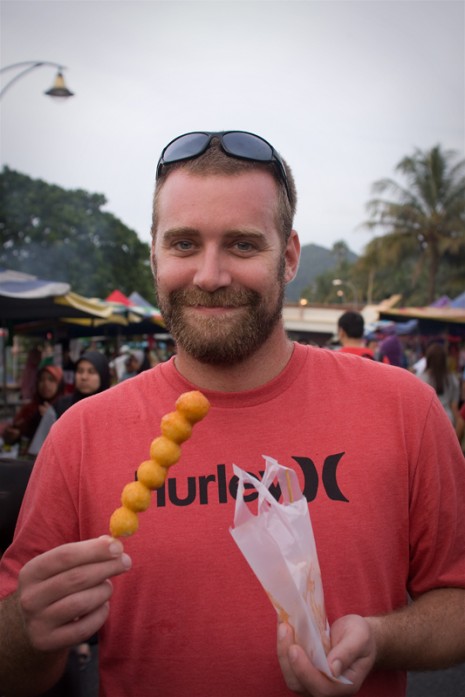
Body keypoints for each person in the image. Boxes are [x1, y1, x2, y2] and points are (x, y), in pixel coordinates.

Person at [0, 131, 464, 697]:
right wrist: (28, 626)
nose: (210, 275)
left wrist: (379, 637)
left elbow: (457, 603)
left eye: (243, 245)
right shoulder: (81, 435)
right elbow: (14, 670)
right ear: (154, 253)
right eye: (184, 244)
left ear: (288, 256)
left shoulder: (403, 409)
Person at [1, 365, 64, 454]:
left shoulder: (65, 408)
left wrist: (50, 418)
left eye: (51, 380)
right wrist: (14, 434)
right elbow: (17, 435)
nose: (45, 384)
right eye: (41, 380)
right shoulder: (29, 409)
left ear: (59, 384)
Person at [53, 350, 111, 418]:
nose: (84, 377)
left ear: (103, 375)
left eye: (91, 372)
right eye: (80, 371)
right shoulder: (61, 405)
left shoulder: (111, 408)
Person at [417, 342, 459, 426]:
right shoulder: (452, 379)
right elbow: (454, 406)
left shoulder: (420, 379)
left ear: (428, 359)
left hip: (428, 421)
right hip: (448, 419)